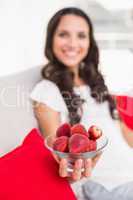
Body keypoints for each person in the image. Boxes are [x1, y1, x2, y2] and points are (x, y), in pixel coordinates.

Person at [30, 7, 133, 199]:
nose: (73, 43)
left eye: (81, 36)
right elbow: (59, 151)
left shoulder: (95, 83)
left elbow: (124, 136)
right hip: (106, 185)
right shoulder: (47, 90)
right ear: (51, 39)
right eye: (63, 34)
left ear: (89, 42)